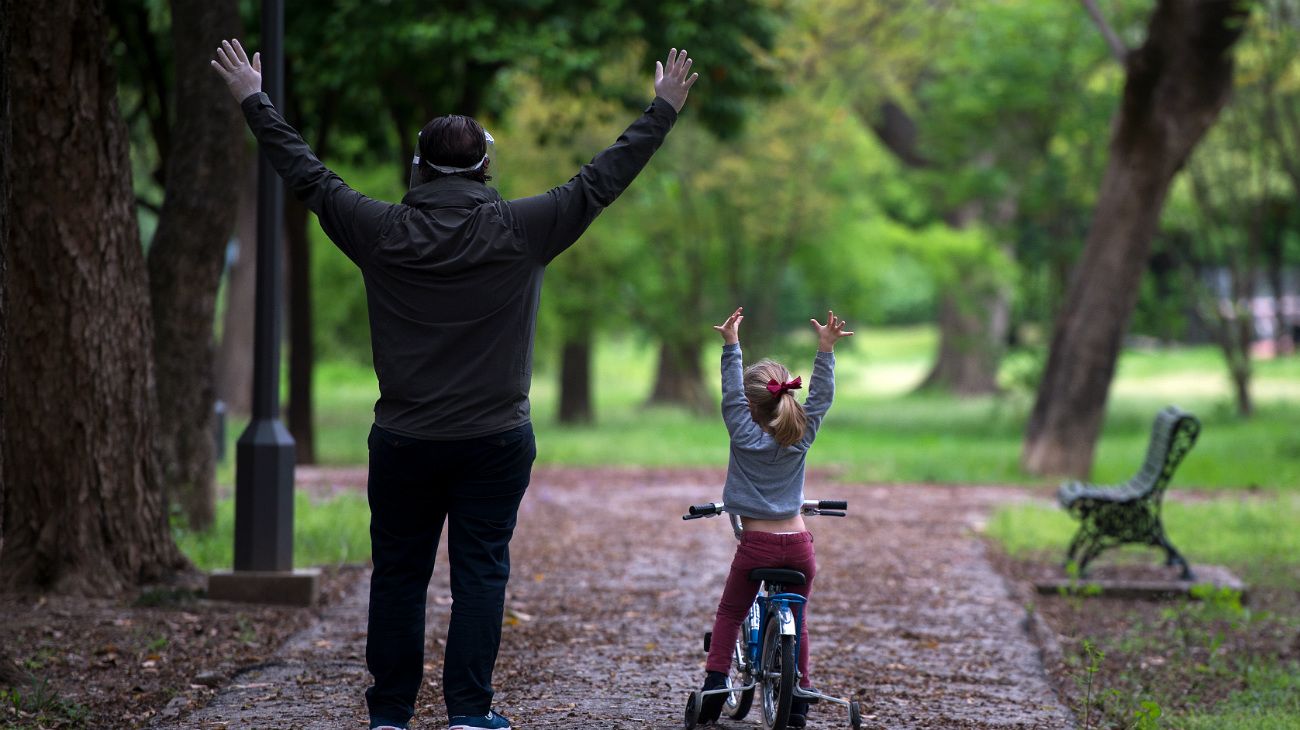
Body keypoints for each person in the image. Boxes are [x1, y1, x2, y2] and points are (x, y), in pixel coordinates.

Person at [211, 39, 698, 730]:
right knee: (480, 573)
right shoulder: (524, 228)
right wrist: (662, 110)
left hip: (405, 439)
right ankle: (469, 713)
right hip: (495, 439)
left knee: (400, 576)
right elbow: (600, 179)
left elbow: (308, 176)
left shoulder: (380, 230)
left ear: (418, 165)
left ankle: (390, 715)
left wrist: (253, 99)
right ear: (485, 164)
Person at [698, 306, 853, 728]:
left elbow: (731, 394)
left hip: (757, 545)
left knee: (731, 612)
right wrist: (826, 350)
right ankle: (798, 700)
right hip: (800, 548)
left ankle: (715, 688)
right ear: (788, 399)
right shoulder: (801, 437)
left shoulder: (744, 435)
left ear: (750, 406)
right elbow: (820, 399)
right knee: (798, 620)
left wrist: (732, 345)